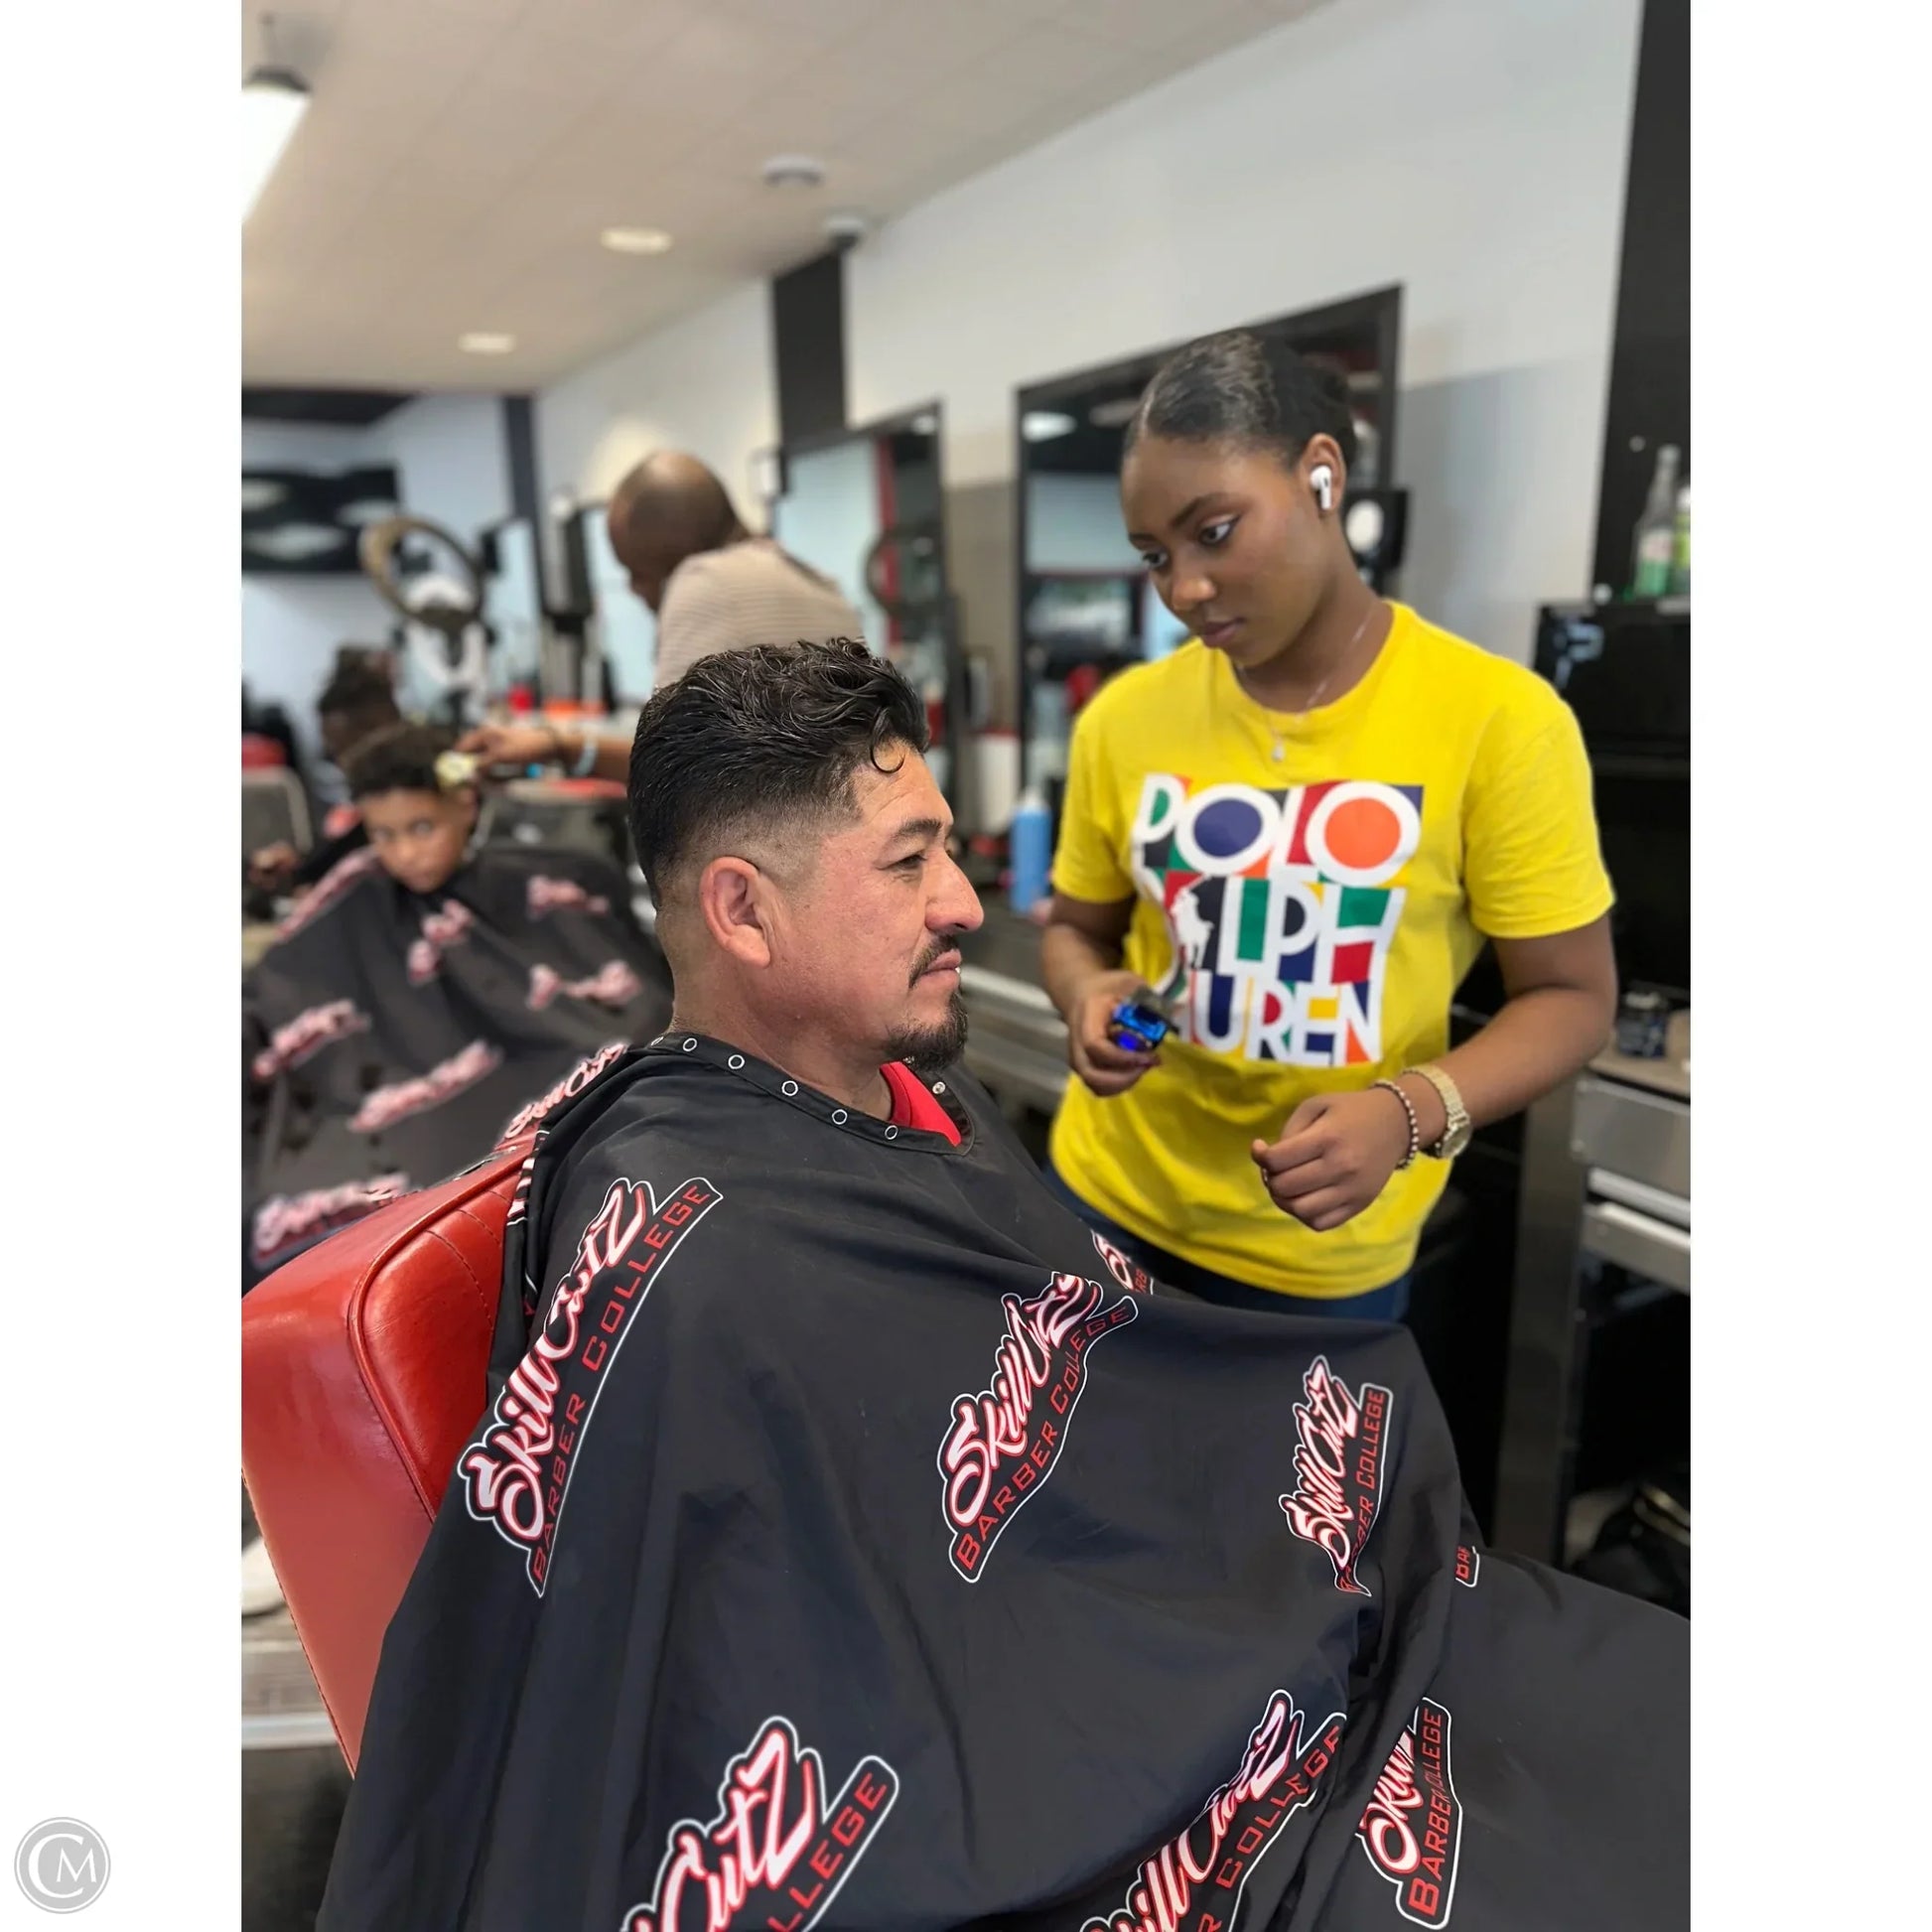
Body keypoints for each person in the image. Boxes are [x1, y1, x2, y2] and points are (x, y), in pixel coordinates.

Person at [318, 641, 1684, 1932]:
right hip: (1127, 1714)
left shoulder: (904, 1082)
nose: (964, 902)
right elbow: (792, 1693)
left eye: (949, 852)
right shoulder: (690, 1257)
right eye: (908, 860)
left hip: (1231, 1558)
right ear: (741, 908)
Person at [1042, 330, 1618, 1318]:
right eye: (1155, 557)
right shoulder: (1123, 719)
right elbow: (1074, 929)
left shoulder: (1499, 723)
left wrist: (1407, 1112)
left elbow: (1571, 997)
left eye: (1214, 530)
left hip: (1319, 1256)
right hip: (1106, 1200)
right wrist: (1087, 992)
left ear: (1321, 475)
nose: (1184, 589)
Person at [243, 720, 672, 1295]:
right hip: (400, 1087)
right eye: (383, 834)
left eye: (421, 827)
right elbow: (277, 995)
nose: (404, 852)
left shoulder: (550, 880)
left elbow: (628, 1003)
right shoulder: (357, 898)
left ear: (465, 804)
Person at [456, 450, 866, 781]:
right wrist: (557, 744)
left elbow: (668, 769)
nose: (634, 590)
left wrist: (557, 746)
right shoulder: (817, 582)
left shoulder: (703, 578)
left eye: (639, 572)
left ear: (677, 551)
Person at [245, 660, 402, 897]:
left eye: (343, 748)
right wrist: (298, 865)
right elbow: (339, 853)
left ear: (380, 731)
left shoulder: (399, 800)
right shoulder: (363, 800)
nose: (339, 762)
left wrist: (303, 874)